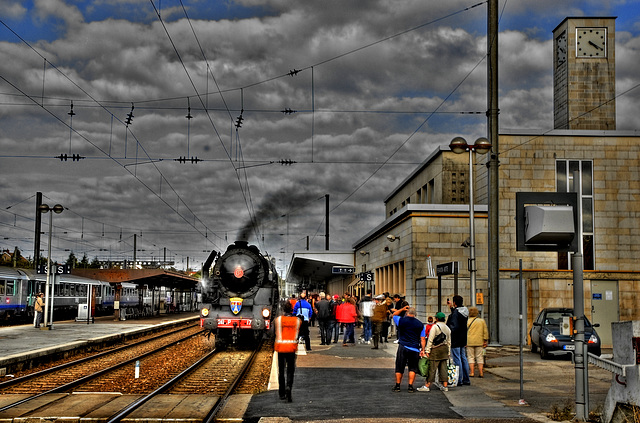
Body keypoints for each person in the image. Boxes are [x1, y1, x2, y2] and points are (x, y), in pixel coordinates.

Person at [391, 306, 425, 393]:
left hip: (403, 346)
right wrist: (423, 349)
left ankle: (398, 385)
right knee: (412, 367)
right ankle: (410, 386)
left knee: (399, 366)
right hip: (414, 348)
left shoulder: (401, 320)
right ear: (415, 314)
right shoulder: (420, 324)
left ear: (407, 313)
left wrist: (402, 309)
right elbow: (422, 339)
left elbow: (394, 314)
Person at [417, 311, 451, 392]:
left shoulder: (435, 327)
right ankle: (445, 386)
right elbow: (449, 341)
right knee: (443, 368)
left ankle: (427, 385)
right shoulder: (447, 328)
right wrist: (449, 352)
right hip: (445, 349)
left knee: (432, 368)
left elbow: (430, 340)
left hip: (436, 349)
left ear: (437, 318)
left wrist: (427, 350)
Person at [274, 301, 301, 402]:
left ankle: (281, 393)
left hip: (281, 348)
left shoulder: (278, 320)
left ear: (283, 309)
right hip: (292, 348)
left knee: (281, 371)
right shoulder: (297, 321)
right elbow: (300, 333)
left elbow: (274, 333)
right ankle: (289, 387)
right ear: (291, 310)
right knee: (290, 370)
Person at [447, 295, 470, 386]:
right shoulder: (464, 311)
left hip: (455, 338)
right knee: (463, 358)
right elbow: (458, 315)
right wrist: (452, 308)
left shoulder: (456, 313)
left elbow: (453, 326)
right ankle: (466, 378)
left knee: (457, 359)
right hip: (463, 338)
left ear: (455, 303)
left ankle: (459, 379)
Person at [466, 306, 489, 377]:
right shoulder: (481, 321)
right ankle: (481, 372)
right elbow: (485, 331)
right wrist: (485, 340)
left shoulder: (467, 321)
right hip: (479, 341)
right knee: (479, 357)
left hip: (469, 341)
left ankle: (472, 372)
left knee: (470, 357)